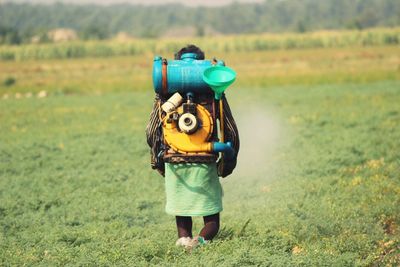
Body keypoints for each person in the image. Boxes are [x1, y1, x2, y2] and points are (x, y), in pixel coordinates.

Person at [146, 44, 239, 249]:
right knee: (212, 219)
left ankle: (184, 240)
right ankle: (201, 241)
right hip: (206, 160)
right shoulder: (214, 91)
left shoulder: (165, 95)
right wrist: (227, 161)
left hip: (174, 161)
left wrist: (159, 161)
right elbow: (230, 129)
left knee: (182, 210)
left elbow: (152, 131)